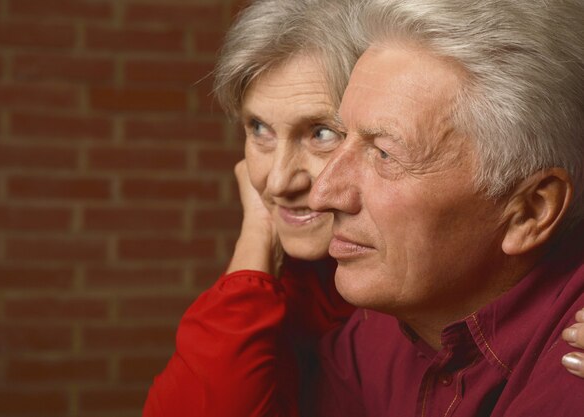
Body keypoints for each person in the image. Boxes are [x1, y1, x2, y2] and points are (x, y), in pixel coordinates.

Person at [308, 0, 584, 415]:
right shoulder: (383, 324)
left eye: (384, 154)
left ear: (530, 210)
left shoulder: (574, 370)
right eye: (338, 134)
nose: (322, 193)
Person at [142, 1, 358, 416]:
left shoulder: (415, 290)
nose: (277, 181)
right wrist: (257, 236)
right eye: (259, 129)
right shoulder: (281, 292)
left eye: (322, 133)